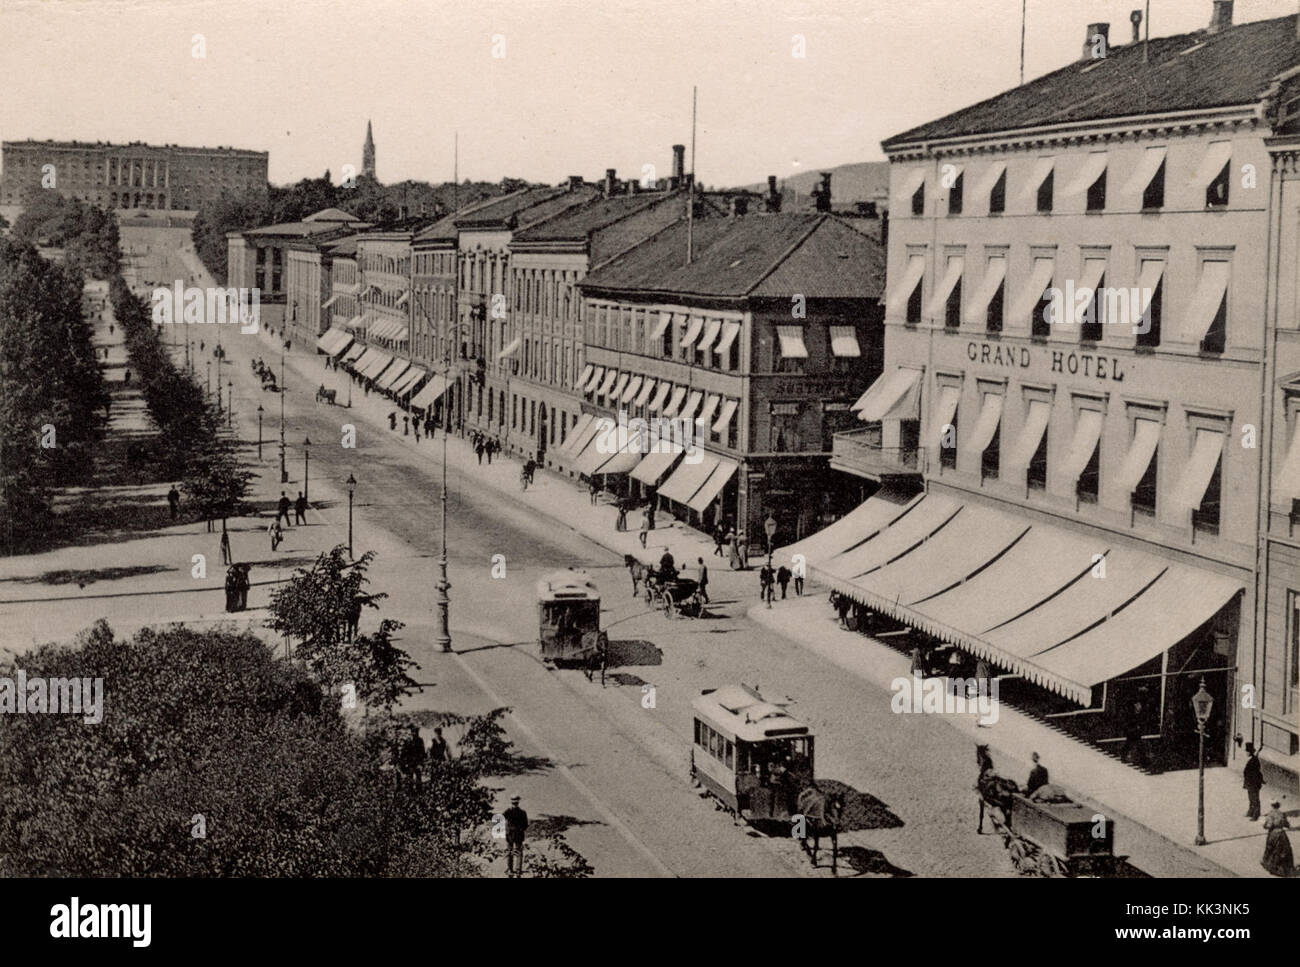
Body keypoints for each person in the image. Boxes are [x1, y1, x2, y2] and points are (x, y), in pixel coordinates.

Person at [1261, 801, 1294, 877]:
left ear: (1272, 806)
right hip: (1282, 834)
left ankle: (1272, 867)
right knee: (1284, 850)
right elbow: (1287, 825)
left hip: (1274, 834)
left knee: (1271, 849)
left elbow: (1269, 825)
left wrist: (1264, 826)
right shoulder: (1282, 814)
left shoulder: (1271, 814)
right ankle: (1285, 869)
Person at [504, 795, 529, 876]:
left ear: (511, 802)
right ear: (518, 802)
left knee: (510, 851)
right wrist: (520, 830)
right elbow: (525, 825)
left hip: (510, 834)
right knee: (518, 852)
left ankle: (510, 869)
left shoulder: (508, 811)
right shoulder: (522, 812)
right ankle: (518, 870)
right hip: (518, 834)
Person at [1243, 742, 1264, 821]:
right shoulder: (1252, 759)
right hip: (1249, 783)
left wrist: (1254, 783)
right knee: (1251, 798)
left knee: (1255, 798)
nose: (1246, 753)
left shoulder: (1254, 760)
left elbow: (1256, 773)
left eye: (1247, 751)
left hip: (1253, 783)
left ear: (1250, 752)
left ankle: (1256, 814)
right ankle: (1251, 812)